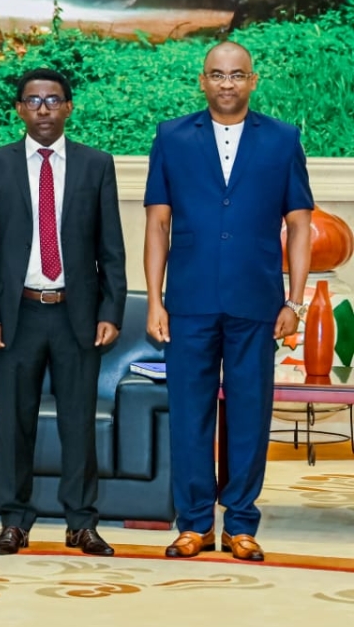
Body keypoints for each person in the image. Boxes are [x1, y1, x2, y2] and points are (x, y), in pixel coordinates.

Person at [144, 41, 312, 562]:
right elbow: (157, 224)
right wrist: (155, 300)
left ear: (252, 81)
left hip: (256, 300)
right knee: (189, 415)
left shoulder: (283, 139)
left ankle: (241, 523)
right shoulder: (171, 136)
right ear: (203, 80)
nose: (227, 83)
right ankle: (194, 525)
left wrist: (295, 301)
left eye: (237, 74)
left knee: (249, 414)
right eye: (217, 74)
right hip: (189, 301)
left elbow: (299, 225)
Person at [0, 68, 127, 557]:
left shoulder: (96, 165)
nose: (43, 109)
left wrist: (111, 310)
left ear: (68, 108)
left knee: (78, 423)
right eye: (33, 101)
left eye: (53, 100)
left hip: (77, 314)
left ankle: (81, 523)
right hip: (18, 315)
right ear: (19, 109)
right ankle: (14, 522)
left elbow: (111, 248)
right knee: (15, 424)